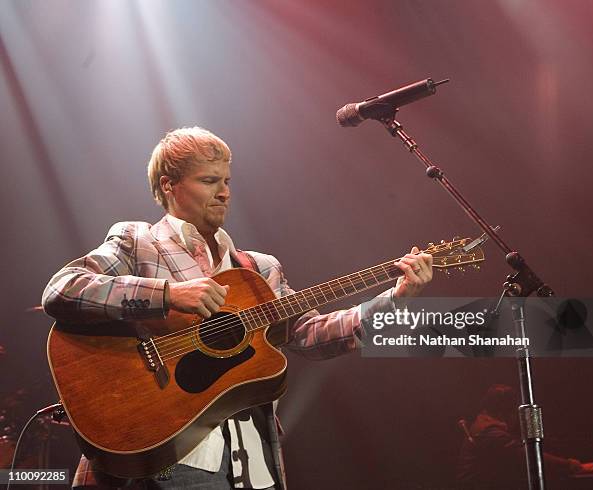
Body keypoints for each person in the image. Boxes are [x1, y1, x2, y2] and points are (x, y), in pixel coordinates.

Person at [42, 127, 434, 489]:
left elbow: (311, 337)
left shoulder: (258, 268)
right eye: (209, 181)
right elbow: (62, 289)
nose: (225, 192)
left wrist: (394, 301)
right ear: (170, 185)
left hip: (250, 460)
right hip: (167, 451)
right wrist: (166, 294)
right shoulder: (138, 240)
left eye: (227, 181)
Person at [456, 384, 593, 489]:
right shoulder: (490, 432)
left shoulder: (484, 424)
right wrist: (568, 464)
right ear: (506, 409)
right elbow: (528, 456)